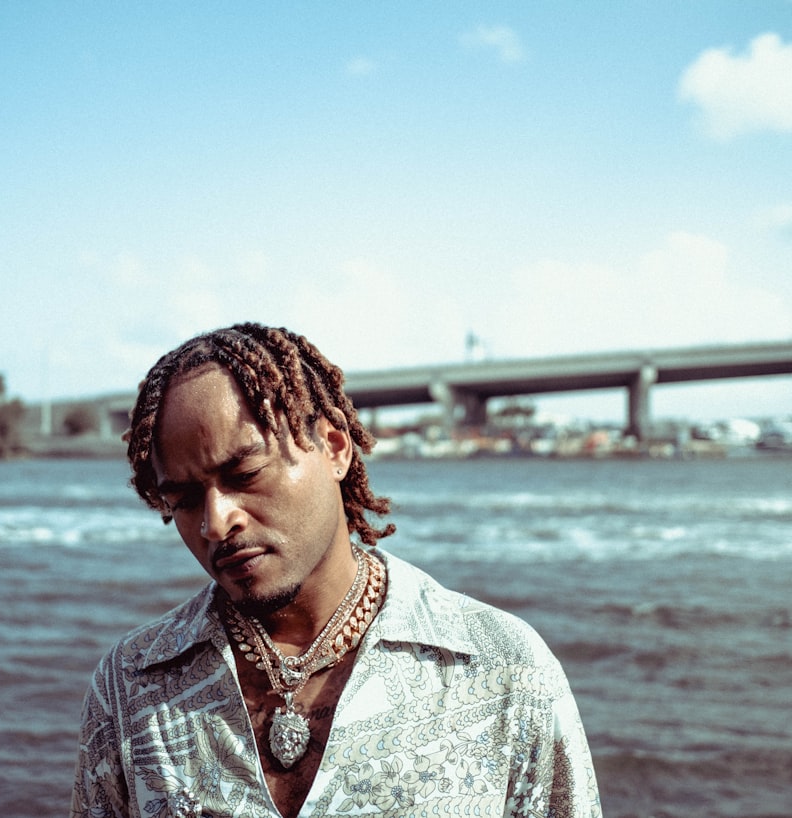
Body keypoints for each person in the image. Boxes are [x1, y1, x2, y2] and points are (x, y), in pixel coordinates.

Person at [70, 323, 601, 818]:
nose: (215, 521)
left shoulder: (503, 668)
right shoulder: (129, 688)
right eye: (184, 499)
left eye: (246, 472)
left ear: (334, 448)